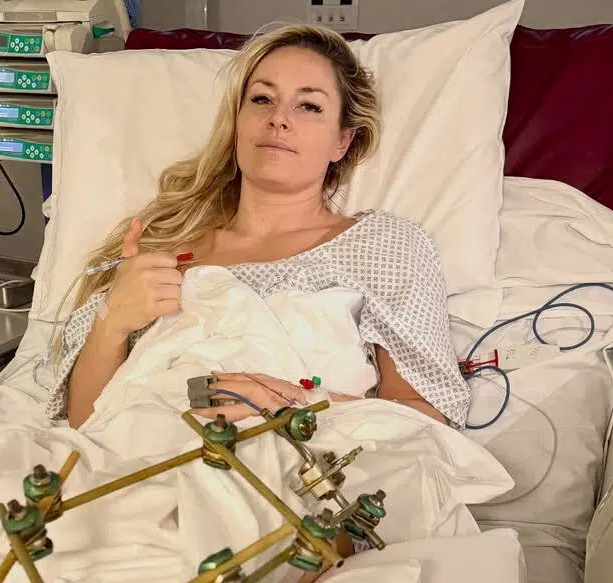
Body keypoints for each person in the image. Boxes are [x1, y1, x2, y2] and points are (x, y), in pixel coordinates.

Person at [47, 24, 471, 433]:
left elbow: (425, 420)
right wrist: (112, 321)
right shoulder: (163, 248)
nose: (278, 118)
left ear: (342, 142)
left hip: (305, 467)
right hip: (141, 459)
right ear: (237, 123)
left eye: (309, 106)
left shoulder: (384, 247)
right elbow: (86, 422)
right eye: (262, 99)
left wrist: (293, 403)